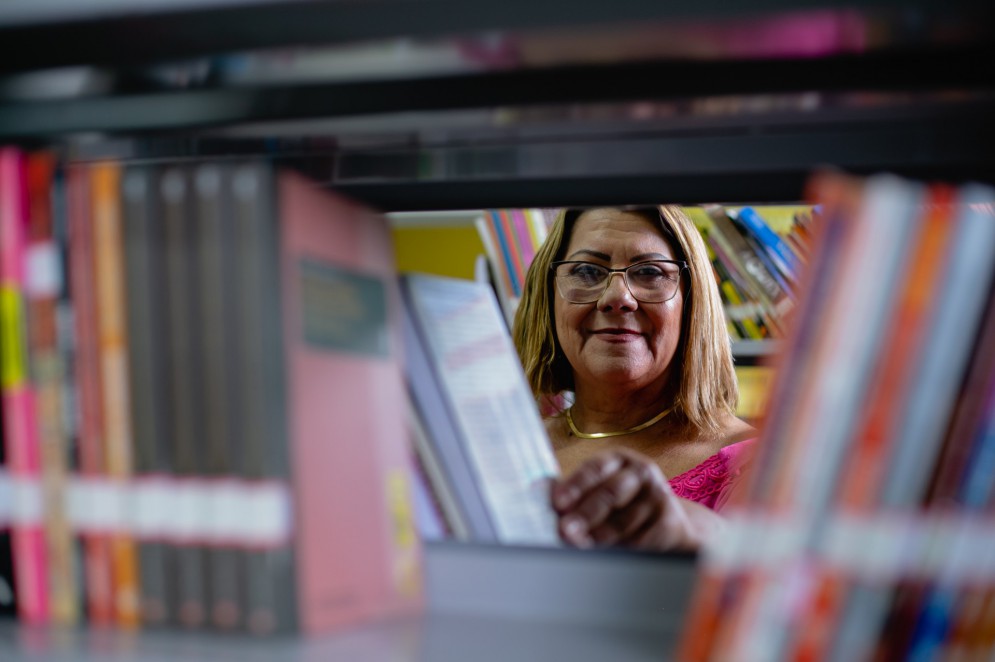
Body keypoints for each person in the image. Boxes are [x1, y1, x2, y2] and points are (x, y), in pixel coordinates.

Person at [513, 206, 756, 552]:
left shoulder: (751, 463)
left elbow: (772, 578)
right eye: (586, 271)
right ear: (548, 298)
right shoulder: (512, 449)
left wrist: (691, 531)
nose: (618, 297)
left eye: (649, 272)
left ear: (691, 302)